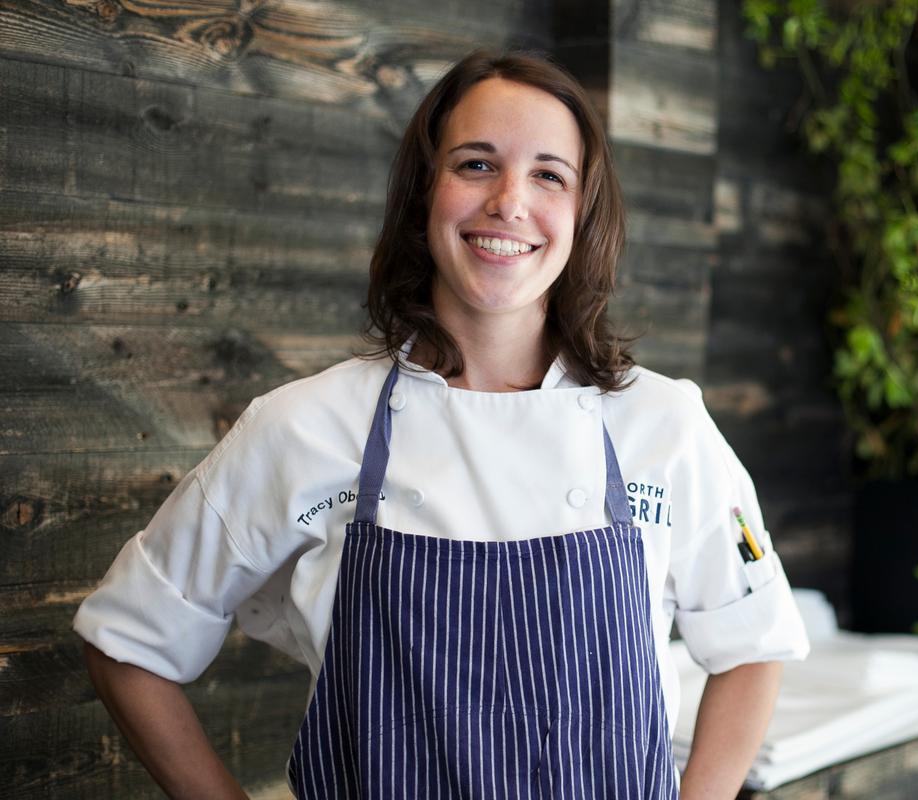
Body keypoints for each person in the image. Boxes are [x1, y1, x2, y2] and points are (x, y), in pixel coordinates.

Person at [74, 49, 809, 799]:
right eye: (476, 165)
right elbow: (130, 640)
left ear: (583, 212)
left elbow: (752, 647)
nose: (510, 202)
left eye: (549, 175)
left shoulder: (663, 424)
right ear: (424, 190)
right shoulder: (304, 427)